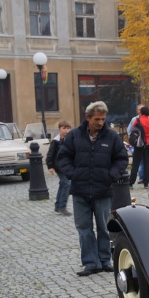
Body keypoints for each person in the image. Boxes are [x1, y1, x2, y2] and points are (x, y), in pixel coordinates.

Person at [56, 101, 129, 276]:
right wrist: (73, 174)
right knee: (84, 228)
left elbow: (121, 159)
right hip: (80, 190)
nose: (101, 122)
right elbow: (63, 157)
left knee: (104, 227)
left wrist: (110, 175)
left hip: (103, 189)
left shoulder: (112, 137)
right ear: (88, 117)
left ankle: (105, 260)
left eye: (103, 119)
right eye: (97, 119)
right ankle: (90, 263)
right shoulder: (74, 135)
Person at [45, 119, 73, 216]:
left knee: (62, 184)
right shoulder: (56, 141)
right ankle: (62, 207)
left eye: (68, 128)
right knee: (67, 184)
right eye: (64, 128)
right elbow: (50, 154)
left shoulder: (71, 139)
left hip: (68, 166)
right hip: (59, 166)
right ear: (59, 129)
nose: (66, 130)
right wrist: (50, 166)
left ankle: (58, 206)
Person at [128, 106, 149, 189]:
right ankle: (146, 183)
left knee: (135, 164)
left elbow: (131, 131)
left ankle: (131, 183)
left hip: (139, 145)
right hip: (148, 145)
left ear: (141, 113)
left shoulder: (137, 121)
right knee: (147, 164)